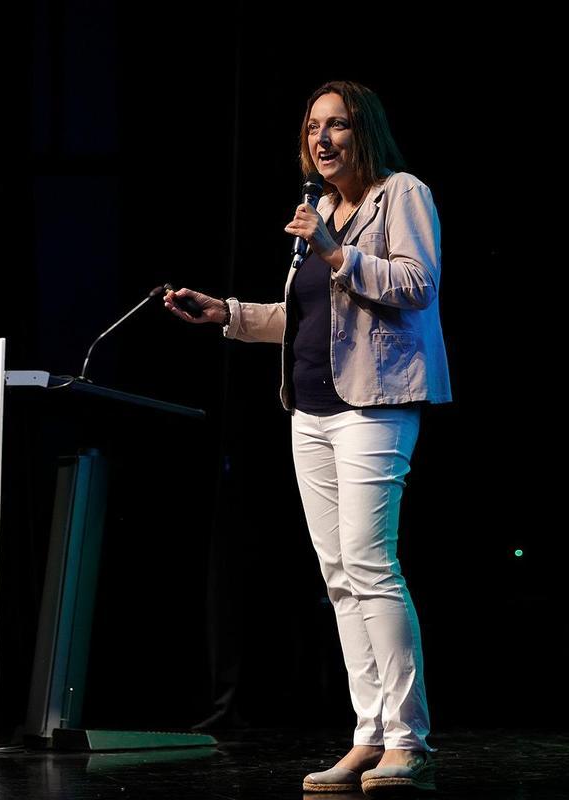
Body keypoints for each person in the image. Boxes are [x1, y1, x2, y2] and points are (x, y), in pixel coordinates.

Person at [163, 79, 451, 796]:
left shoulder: (400, 195)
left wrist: (334, 252)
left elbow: (417, 285)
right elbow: (300, 317)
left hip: (376, 403)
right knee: (337, 577)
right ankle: (368, 734)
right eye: (314, 127)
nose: (323, 139)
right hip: (312, 409)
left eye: (339, 126)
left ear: (365, 133)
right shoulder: (321, 208)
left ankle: (409, 739)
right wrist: (225, 313)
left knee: (370, 563)